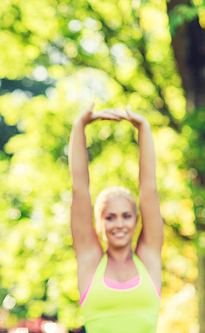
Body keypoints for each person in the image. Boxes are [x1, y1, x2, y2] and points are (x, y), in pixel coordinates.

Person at [69, 103, 163, 332]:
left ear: (136, 220)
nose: (119, 224)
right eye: (110, 217)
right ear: (99, 223)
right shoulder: (90, 261)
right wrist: (80, 124)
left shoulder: (149, 259)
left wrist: (143, 127)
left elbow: (148, 189)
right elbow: (79, 189)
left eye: (126, 216)